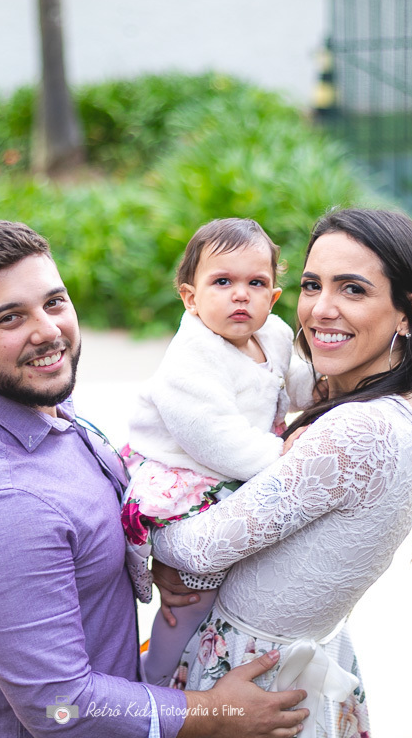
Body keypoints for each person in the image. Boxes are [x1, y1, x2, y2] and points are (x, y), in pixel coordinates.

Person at [0, 217, 311, 738]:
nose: (48, 331)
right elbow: (61, 708)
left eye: (54, 302)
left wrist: (142, 557)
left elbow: (73, 535)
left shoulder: (21, 394)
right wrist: (217, 713)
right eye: (10, 317)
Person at [151, 208, 412, 738]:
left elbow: (201, 550)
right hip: (285, 665)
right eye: (312, 285)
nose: (320, 309)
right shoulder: (400, 406)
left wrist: (143, 529)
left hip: (252, 684)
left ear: (407, 313)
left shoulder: (360, 431)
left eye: (353, 289)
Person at [122, 218, 316, 687]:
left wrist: (322, 391)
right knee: (192, 597)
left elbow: (294, 384)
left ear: (273, 297)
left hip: (236, 463)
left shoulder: (273, 335)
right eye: (223, 282)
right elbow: (212, 436)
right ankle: (156, 676)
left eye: (256, 283)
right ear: (191, 298)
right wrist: (282, 455)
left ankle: (197, 660)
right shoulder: (192, 356)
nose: (240, 295)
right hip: (187, 471)